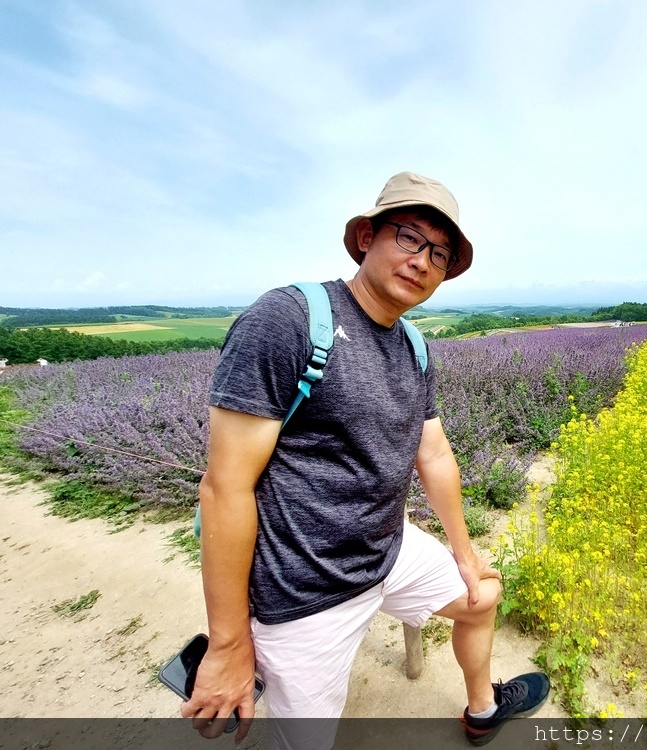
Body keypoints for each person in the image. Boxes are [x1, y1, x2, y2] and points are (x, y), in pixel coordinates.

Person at [181, 172, 549, 747]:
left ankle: (482, 708)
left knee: (483, 599)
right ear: (365, 238)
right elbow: (224, 488)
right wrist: (228, 645)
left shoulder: (414, 346)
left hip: (388, 551)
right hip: (303, 590)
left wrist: (465, 554)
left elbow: (435, 452)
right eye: (409, 237)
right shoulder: (289, 319)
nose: (423, 261)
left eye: (440, 253)